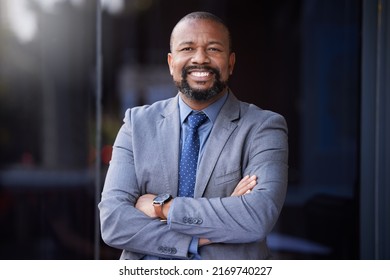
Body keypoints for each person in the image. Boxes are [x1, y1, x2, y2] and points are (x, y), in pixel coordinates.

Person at [98, 11, 288, 260]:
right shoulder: (137, 124)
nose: (200, 59)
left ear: (230, 63)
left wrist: (163, 207)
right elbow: (114, 222)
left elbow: (257, 216)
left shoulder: (263, 127)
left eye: (213, 49)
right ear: (170, 62)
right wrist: (199, 238)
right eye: (187, 48)